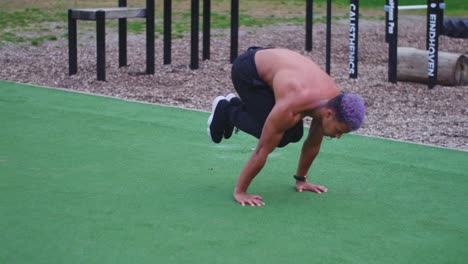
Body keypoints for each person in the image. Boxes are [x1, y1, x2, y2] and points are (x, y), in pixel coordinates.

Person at [207, 47, 365, 207]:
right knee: (279, 136)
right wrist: (240, 191)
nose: (337, 136)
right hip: (248, 72)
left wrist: (301, 180)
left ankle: (234, 105)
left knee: (295, 133)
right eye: (338, 131)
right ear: (329, 114)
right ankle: (226, 110)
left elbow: (313, 143)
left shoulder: (332, 101)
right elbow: (262, 150)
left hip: (274, 67)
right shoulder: (293, 104)